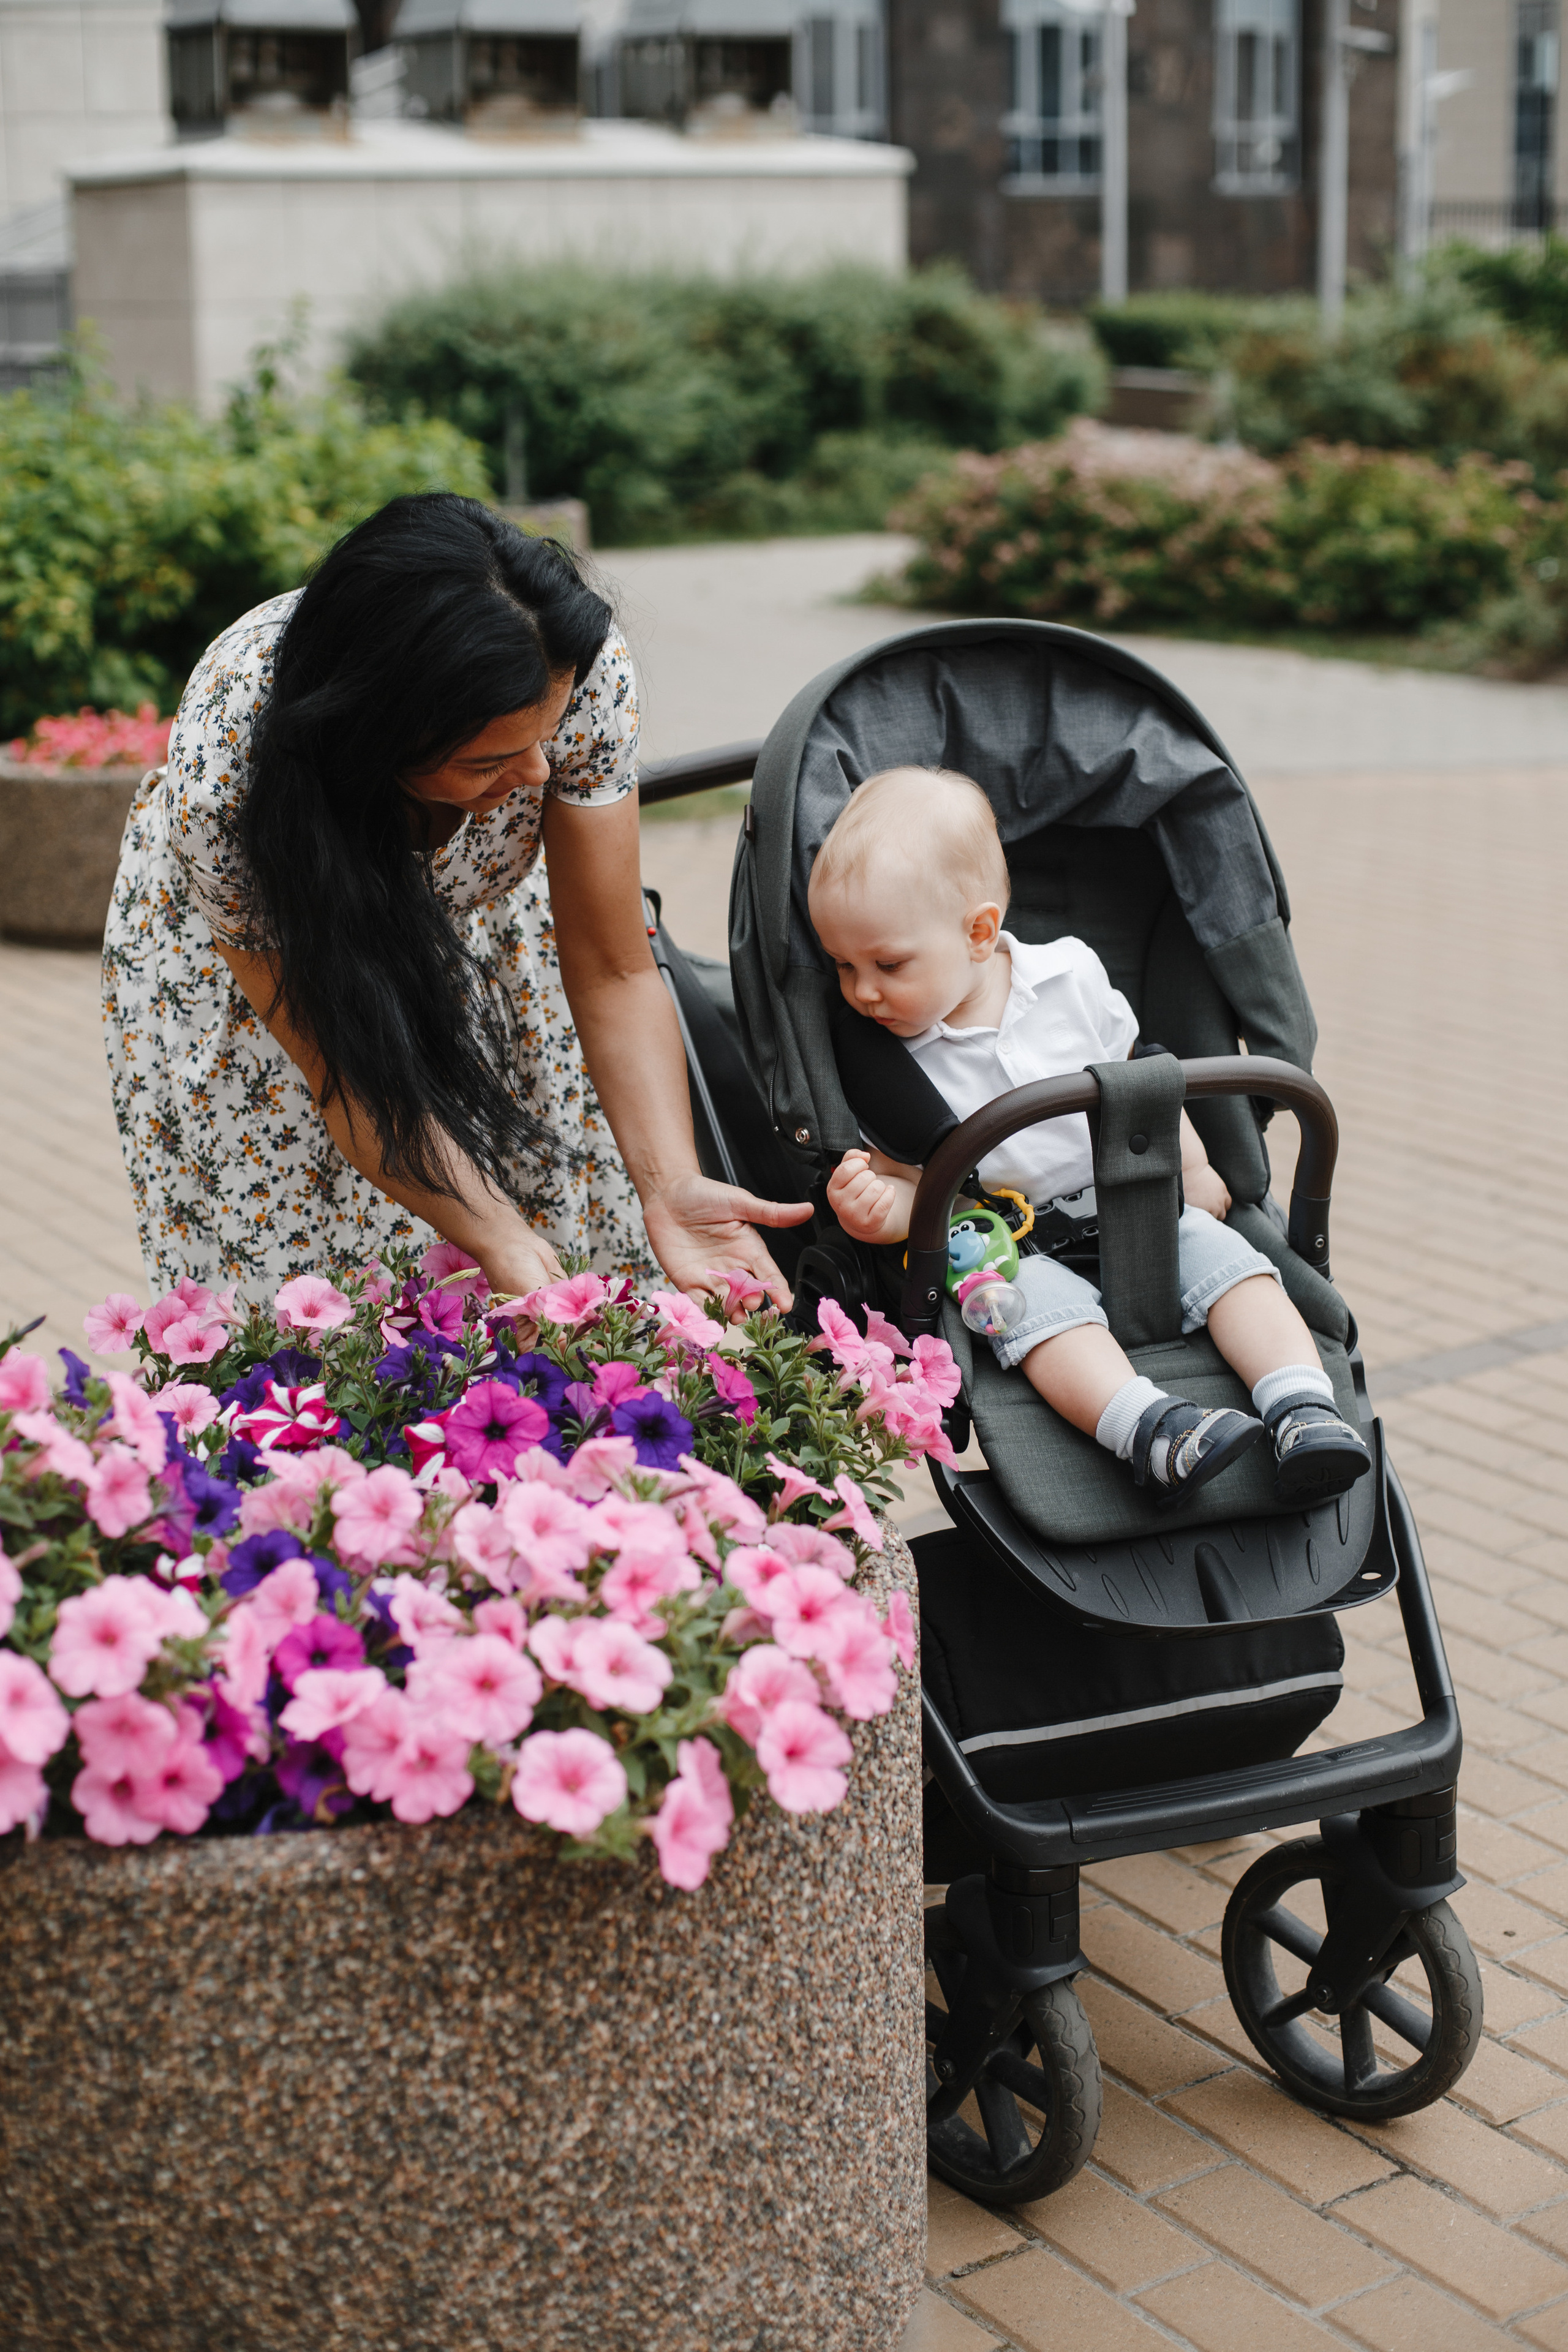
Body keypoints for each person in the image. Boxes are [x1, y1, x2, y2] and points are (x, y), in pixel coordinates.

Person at [103, 494, 810, 1306]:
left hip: (489, 941)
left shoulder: (565, 663)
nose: (540, 776)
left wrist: (671, 1184)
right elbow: (346, 1073)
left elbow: (614, 968)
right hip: (272, 982)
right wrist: (495, 1233)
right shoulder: (233, 774)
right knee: (331, 1318)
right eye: (493, 762)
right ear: (377, 742)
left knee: (561, 1252)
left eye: (545, 739)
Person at [807, 765, 1371, 1506]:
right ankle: (1151, 1432)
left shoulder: (1070, 977)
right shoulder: (885, 1057)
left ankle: (1304, 1408)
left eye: (887, 964)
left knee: (1239, 1272)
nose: (862, 991)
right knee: (1037, 1322)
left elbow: (1143, 1083)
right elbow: (917, 1182)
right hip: (1009, 1242)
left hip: (1134, 1203)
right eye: (842, 966)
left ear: (979, 932)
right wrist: (877, 1211)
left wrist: (1192, 1168)